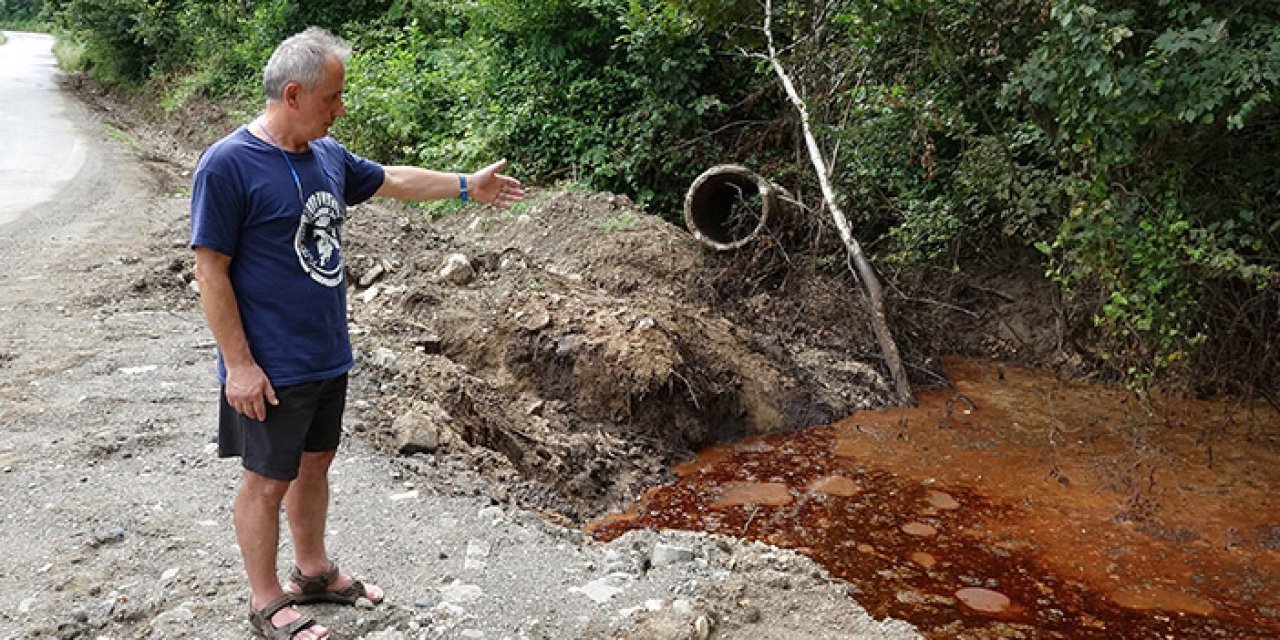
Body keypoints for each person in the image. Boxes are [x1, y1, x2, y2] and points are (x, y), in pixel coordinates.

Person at [190, 27, 523, 640]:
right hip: (270, 363)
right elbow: (210, 270)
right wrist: (238, 364)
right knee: (267, 480)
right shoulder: (229, 164)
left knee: (316, 461)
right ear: (293, 94)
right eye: (332, 99)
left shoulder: (327, 156)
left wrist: (463, 186)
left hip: (325, 353)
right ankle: (265, 603)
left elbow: (392, 179)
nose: (340, 110)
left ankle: (312, 571)